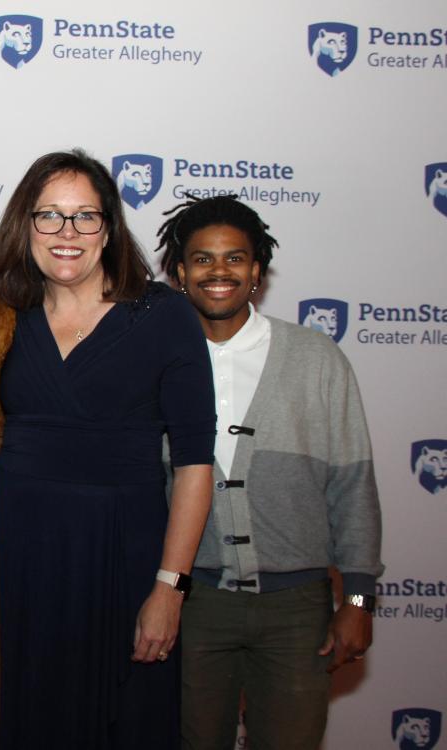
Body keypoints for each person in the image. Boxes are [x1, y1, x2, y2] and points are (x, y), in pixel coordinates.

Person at [0, 150, 215, 749]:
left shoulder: (163, 316)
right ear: (24, 225)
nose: (67, 234)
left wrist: (170, 589)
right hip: (14, 564)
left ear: (109, 228)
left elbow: (195, 464)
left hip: (124, 563)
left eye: (85, 217)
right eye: (50, 217)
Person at [155, 194, 383, 750]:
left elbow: (353, 485)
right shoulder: (154, 360)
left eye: (235, 258)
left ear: (257, 270)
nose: (219, 272)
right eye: (202, 259)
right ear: (180, 272)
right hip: (192, 605)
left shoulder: (316, 357)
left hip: (296, 611)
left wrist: (356, 601)